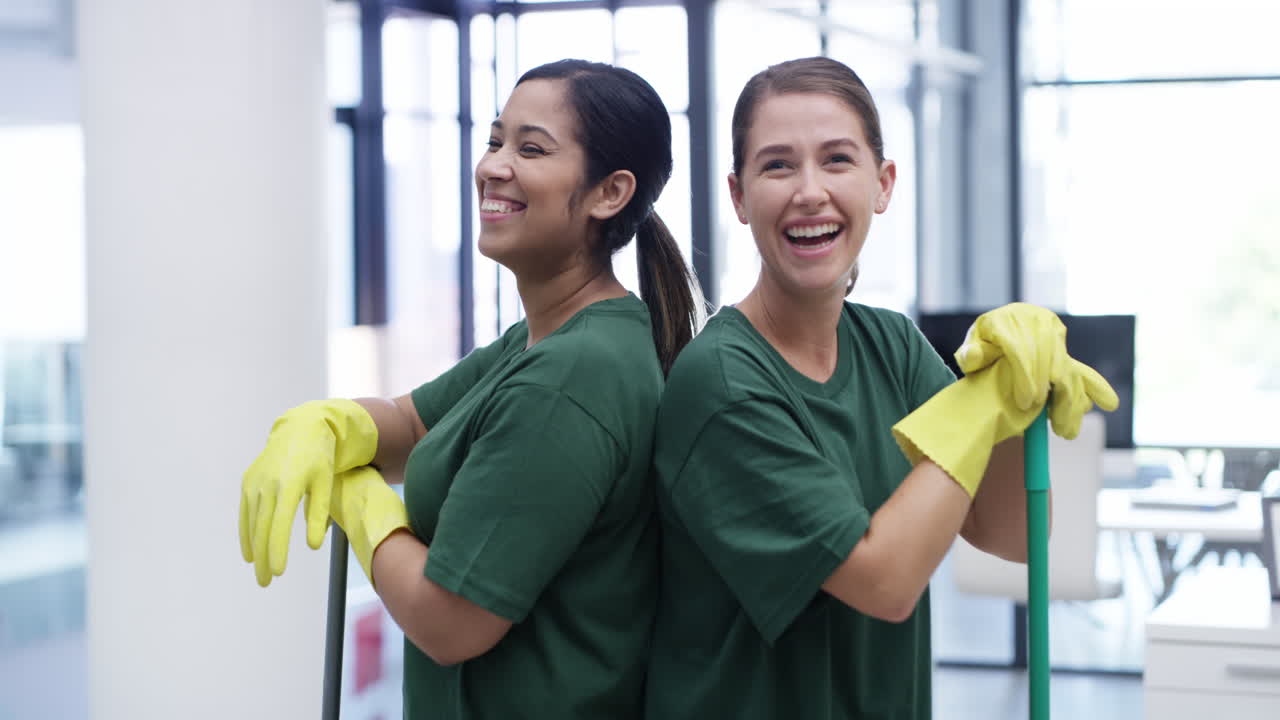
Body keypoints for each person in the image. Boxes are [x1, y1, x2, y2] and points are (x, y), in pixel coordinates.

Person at [643, 56, 1117, 720]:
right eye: (778, 165)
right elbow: (882, 582)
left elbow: (1014, 533)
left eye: (837, 159)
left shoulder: (891, 346)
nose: (810, 190)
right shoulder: (720, 383)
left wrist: (1012, 393)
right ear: (739, 196)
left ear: (882, 183)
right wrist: (977, 404)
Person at [239, 59, 701, 719]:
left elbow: (451, 621)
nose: (492, 166)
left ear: (610, 192)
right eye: (494, 141)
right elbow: (411, 424)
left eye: (531, 148)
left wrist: (360, 501)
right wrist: (330, 426)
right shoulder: (547, 339)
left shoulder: (574, 375)